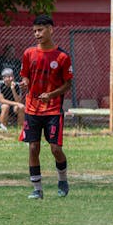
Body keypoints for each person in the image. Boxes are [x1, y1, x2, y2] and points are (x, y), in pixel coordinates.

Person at [19, 15, 73, 200]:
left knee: (55, 149)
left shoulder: (62, 56)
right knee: (33, 148)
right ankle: (37, 189)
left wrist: (50, 95)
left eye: (40, 30)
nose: (37, 34)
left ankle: (63, 180)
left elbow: (68, 84)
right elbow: (25, 75)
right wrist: (24, 83)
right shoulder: (28, 53)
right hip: (32, 109)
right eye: (34, 31)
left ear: (51, 29)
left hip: (52, 110)